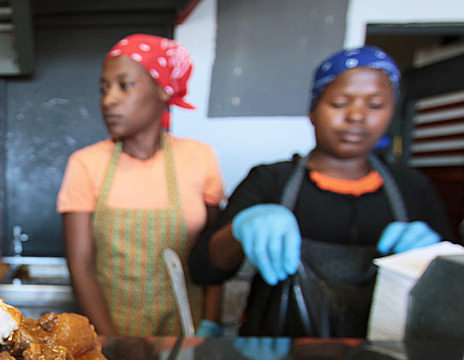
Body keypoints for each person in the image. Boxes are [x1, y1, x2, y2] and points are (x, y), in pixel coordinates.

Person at [190, 46, 457, 337]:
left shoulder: (413, 188)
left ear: (392, 112)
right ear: (313, 111)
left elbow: (451, 295)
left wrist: (434, 260)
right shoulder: (270, 180)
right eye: (341, 103)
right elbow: (204, 269)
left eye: (375, 105)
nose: (357, 115)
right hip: (276, 359)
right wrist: (237, 231)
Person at [58, 34, 226, 340]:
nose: (109, 100)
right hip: (110, 335)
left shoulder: (200, 158)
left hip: (186, 335)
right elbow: (80, 265)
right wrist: (112, 344)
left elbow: (214, 257)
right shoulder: (86, 164)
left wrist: (209, 327)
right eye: (104, 89)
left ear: (163, 90)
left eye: (125, 85)